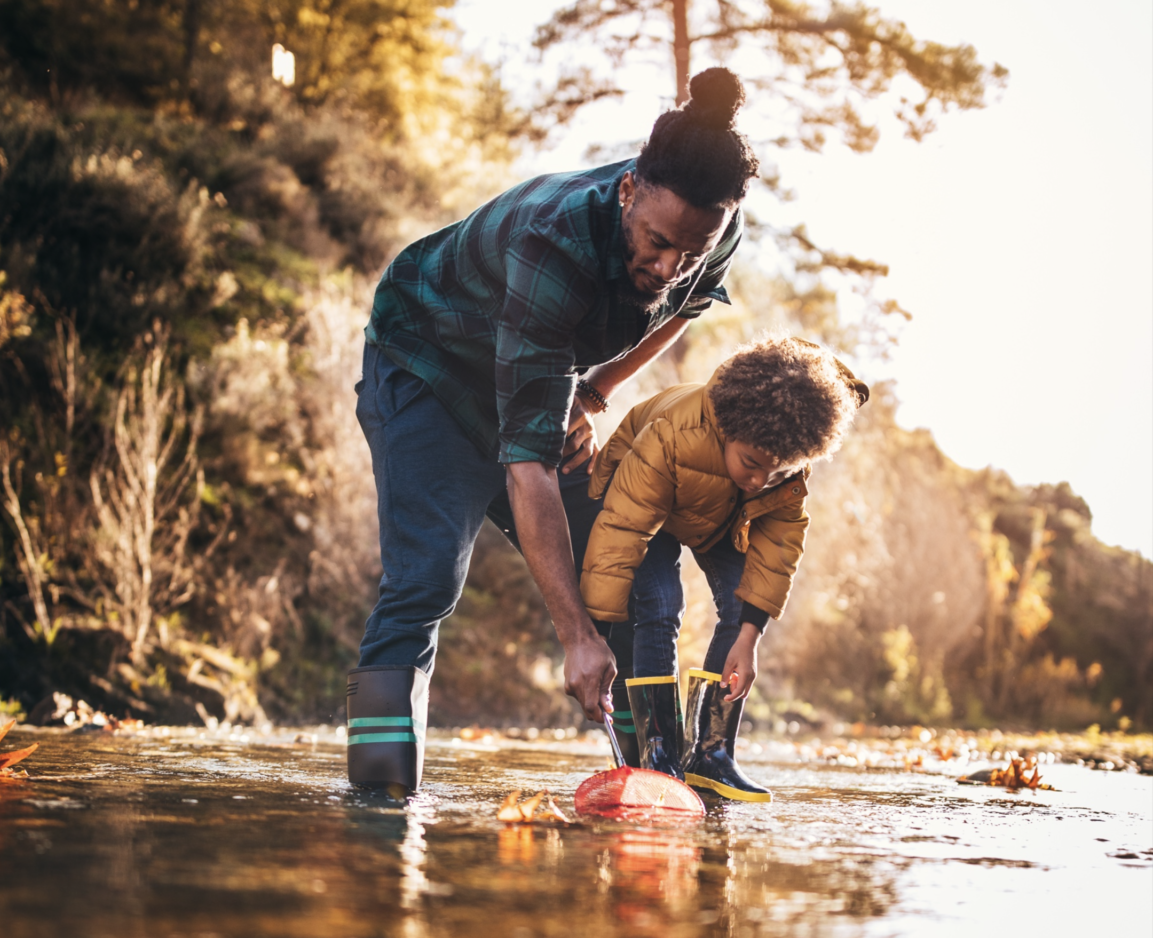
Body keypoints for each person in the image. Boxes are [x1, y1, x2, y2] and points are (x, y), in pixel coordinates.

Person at [346, 68, 761, 791]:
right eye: (657, 242)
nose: (669, 266)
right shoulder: (555, 245)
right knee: (427, 578)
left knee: (624, 566)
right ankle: (379, 795)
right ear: (628, 189)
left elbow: (683, 309)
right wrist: (575, 637)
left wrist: (593, 390)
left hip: (537, 374)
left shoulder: (709, 229)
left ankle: (651, 781)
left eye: (688, 254)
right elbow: (527, 466)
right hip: (428, 367)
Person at [579, 336, 869, 801]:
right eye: (752, 464)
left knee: (740, 610)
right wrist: (592, 637)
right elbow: (621, 533)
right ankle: (659, 753)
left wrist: (750, 637)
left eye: (777, 473)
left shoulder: (782, 467)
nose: (762, 481)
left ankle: (710, 754)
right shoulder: (674, 434)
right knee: (660, 604)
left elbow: (775, 553)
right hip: (640, 496)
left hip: (714, 514)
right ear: (728, 426)